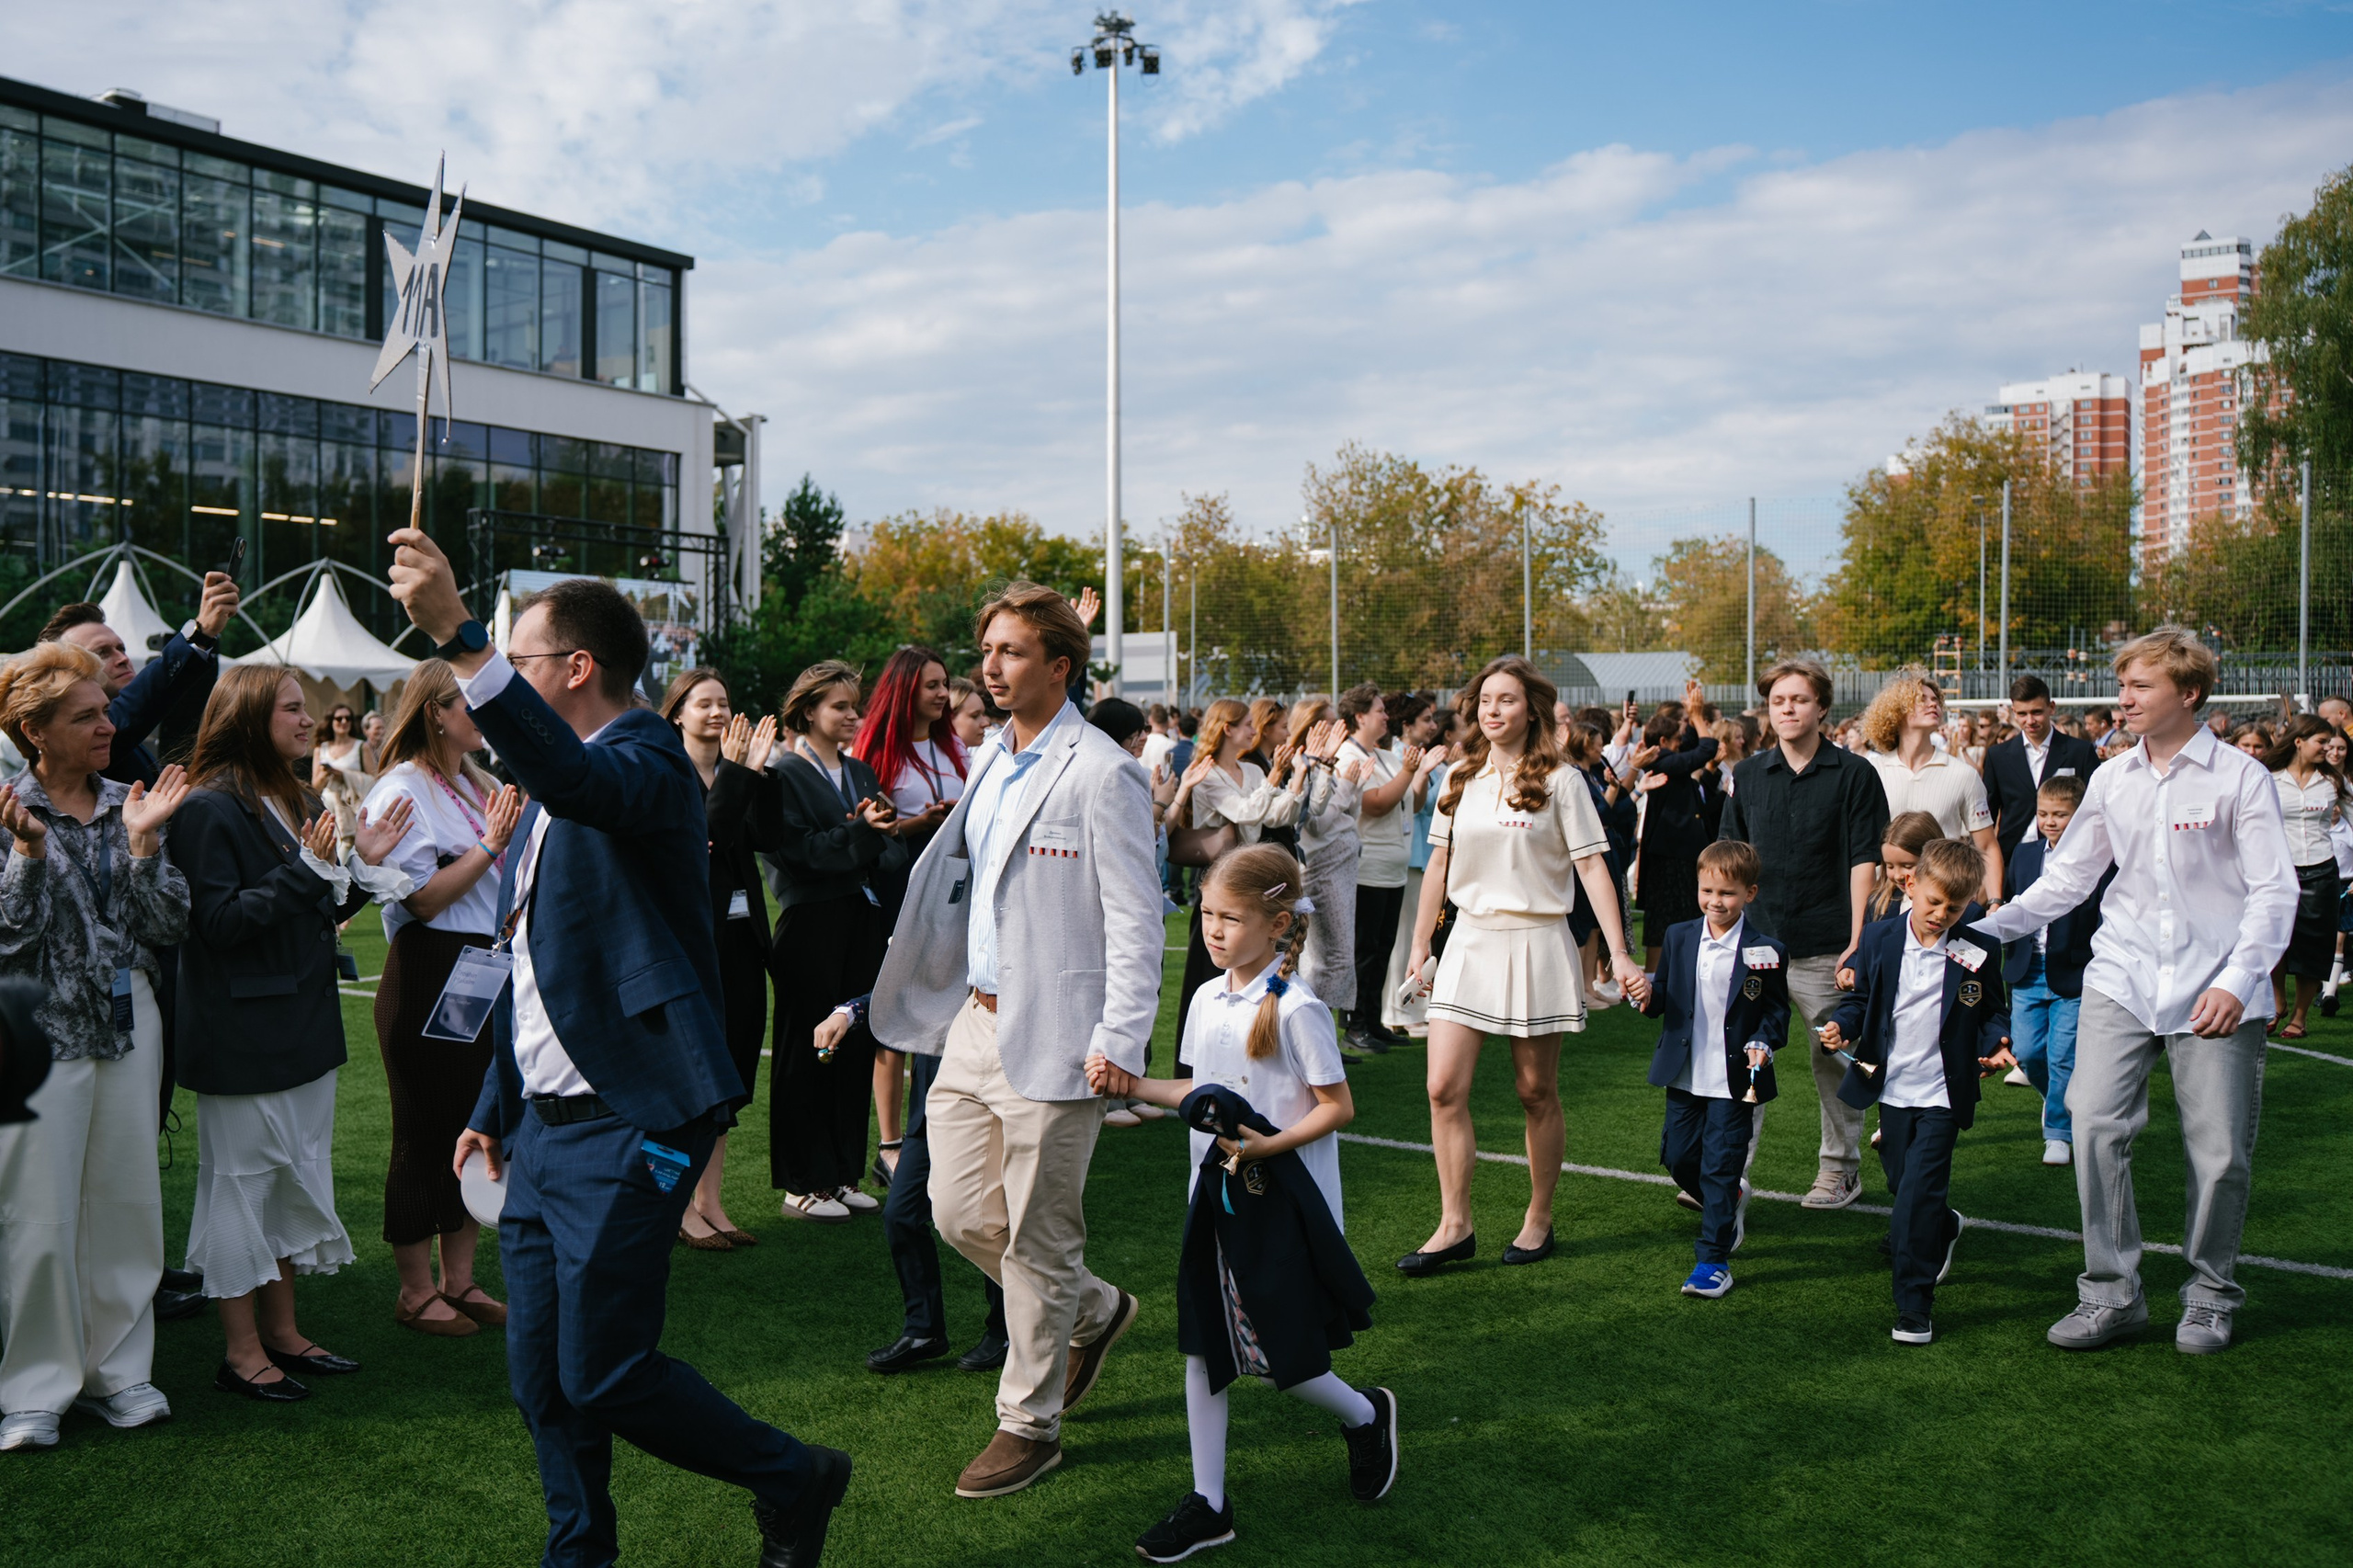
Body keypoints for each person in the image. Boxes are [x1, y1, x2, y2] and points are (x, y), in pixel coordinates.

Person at [387, 531, 852, 1567]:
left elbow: (574, 779)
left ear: (575, 667)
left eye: (518, 657)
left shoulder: (644, 762)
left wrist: (459, 633)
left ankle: (793, 1474)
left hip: (632, 1120)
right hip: (541, 1136)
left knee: (601, 1371)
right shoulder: (550, 793)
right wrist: (494, 1108)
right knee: (541, 1381)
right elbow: (532, 970)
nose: (497, 677)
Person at [868, 580, 1159, 1502]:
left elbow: (1137, 919)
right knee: (955, 1211)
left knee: (1039, 1233)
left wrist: (1121, 1040)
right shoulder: (991, 754)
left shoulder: (1103, 770)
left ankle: (1028, 1424)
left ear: (1059, 666)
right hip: (974, 1020)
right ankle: (1095, 1308)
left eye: (1012, 652)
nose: (989, 667)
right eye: (987, 649)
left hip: (1062, 1035)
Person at [1972, 627, 2297, 1357]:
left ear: (2190, 694)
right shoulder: (2112, 778)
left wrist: (2239, 979)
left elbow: (2275, 893)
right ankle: (2111, 1294)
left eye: (2142, 686)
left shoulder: (2241, 778)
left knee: (2218, 1154)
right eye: (2122, 685)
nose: (2124, 698)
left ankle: (2209, 1297)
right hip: (2120, 976)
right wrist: (1988, 929)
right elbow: (2068, 879)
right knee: (2091, 1122)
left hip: (2218, 989)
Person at [1088, 844, 1394, 1562]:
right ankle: (1210, 1503)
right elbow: (1199, 1092)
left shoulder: (1298, 1008)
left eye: (1231, 918)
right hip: (1214, 1199)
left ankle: (1364, 1414)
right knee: (1204, 1347)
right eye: (1208, 915)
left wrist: (1266, 1148)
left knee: (1288, 1357)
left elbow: (1338, 1106)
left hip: (1282, 1209)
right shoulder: (1205, 998)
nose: (1214, 930)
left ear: (1278, 924)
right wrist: (1132, 1087)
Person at [176, 665, 414, 1403]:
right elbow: (217, 924)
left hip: (304, 1024)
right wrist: (310, 872)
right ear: (248, 717)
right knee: (241, 1192)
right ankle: (241, 1352)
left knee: (291, 1184)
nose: (309, 719)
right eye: (290, 708)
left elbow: (314, 909)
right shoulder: (207, 808)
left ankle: (283, 1333)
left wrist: (360, 871)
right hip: (242, 1035)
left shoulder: (298, 795)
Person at [0, 644, 191, 1451]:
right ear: (35, 731)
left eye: (106, 710)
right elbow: (9, 942)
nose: (108, 725)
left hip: (130, 1020)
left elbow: (169, 924)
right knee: (38, 1213)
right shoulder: (6, 808)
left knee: (126, 1200)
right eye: (86, 716)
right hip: (37, 1029)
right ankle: (34, 1387)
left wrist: (145, 849)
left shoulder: (132, 802)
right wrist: (27, 853)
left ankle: (119, 1373)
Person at [1401, 656, 1645, 1275]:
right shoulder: (1459, 776)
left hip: (1537, 942)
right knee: (1442, 1087)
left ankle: (1539, 1218)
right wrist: (1420, 945)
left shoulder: (1563, 781)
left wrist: (1618, 952)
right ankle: (1454, 1225)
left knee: (1536, 1091)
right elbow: (1438, 866)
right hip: (1468, 942)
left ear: (1531, 710)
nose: (1493, 710)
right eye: (1485, 700)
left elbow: (1592, 867)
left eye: (1506, 699)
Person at [361, 661, 524, 1334]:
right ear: (434, 710)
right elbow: (422, 901)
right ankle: (414, 1291)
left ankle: (460, 1281)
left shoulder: (475, 780)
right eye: (469, 703)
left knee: (474, 1124)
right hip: (431, 971)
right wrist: (489, 846)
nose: (482, 714)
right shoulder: (402, 788)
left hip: (484, 968)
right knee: (423, 1132)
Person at [1820, 839, 2012, 1346]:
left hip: (1945, 1093)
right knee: (1903, 1186)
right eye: (1934, 902)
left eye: (1955, 907)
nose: (1941, 914)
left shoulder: (1978, 948)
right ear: (1911, 884)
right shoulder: (1879, 938)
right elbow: (1861, 1000)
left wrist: (1998, 1044)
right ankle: (1944, 1224)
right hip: (1891, 1088)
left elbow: (1993, 1013)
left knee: (1913, 1203)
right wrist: (1842, 1025)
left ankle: (1914, 1305)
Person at [1716, 660, 1889, 1212]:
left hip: (1828, 943)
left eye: (1799, 699)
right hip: (1757, 946)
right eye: (1778, 701)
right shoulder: (1747, 775)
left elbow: (1866, 859)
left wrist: (1858, 938)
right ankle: (1728, 1176)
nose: (1787, 708)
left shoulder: (1855, 774)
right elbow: (1729, 858)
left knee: (1832, 1057)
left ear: (1822, 708)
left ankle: (1840, 1170)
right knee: (1746, 1055)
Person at [765, 661, 908, 1222]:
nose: (854, 716)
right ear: (808, 711)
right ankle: (802, 1183)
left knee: (854, 1048)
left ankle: (842, 1175)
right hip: (809, 925)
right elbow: (797, 855)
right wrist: (859, 835)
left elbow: (892, 851)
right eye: (840, 706)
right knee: (806, 1053)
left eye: (855, 706)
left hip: (861, 919)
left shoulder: (862, 773)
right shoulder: (783, 775)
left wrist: (860, 839)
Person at [1639, 839, 1788, 1300]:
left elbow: (1776, 1012)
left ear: (1750, 893)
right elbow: (1662, 998)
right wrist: (1644, 995)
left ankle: (1713, 1262)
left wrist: (1763, 1040)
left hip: (1735, 1080)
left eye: (1727, 893)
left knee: (1721, 1167)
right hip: (1684, 1073)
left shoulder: (1767, 950)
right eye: (1707, 891)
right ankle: (1729, 1201)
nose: (1715, 901)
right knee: (1680, 1157)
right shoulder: (1680, 936)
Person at [660, 669, 777, 1247]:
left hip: (741, 940)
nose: (716, 712)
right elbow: (705, 841)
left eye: (723, 703)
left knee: (729, 1073)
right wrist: (736, 774)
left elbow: (766, 838)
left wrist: (756, 773)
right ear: (677, 713)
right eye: (703, 703)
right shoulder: (667, 772)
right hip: (690, 941)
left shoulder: (744, 770)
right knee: (692, 1077)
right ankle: (679, 1206)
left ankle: (710, 1201)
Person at [854, 647, 969, 1178]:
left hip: (953, 887)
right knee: (895, 1005)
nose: (944, 694)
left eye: (945, 684)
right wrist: (919, 823)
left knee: (944, 1003)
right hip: (899, 882)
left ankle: (933, 1133)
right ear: (905, 690)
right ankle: (890, 1144)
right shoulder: (878, 750)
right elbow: (866, 830)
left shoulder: (954, 746)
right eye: (932, 685)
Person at [1168, 699, 1319, 1012]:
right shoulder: (1207, 773)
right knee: (1211, 969)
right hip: (1218, 879)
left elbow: (1276, 816)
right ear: (1228, 729)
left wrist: (1298, 779)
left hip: (1249, 877)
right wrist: (1274, 777)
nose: (1254, 730)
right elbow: (1244, 812)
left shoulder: (1250, 770)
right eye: (1248, 724)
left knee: (1252, 960)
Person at [39, 571, 241, 789]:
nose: (123, 659)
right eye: (102, 653)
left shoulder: (132, 743)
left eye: (121, 648)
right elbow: (131, 708)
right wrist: (200, 634)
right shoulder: (73, 741)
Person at [2004, 775, 2113, 1169]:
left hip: (2074, 972)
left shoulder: (2100, 860)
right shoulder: (2024, 855)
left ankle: (2058, 1132)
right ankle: (2059, 1101)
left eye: (2061, 815)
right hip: (2027, 970)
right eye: (2044, 813)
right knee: (2028, 1053)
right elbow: (2014, 903)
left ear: (2079, 817)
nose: (2050, 821)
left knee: (2062, 1056)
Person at [1860, 669, 2001, 906]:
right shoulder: (1873, 771)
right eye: (1921, 699)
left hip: (1943, 902)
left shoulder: (1963, 774)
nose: (1933, 703)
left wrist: (1995, 902)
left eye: (1935, 699)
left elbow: (1987, 845)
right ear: (1897, 709)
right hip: (1884, 901)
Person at [1336, 685, 1423, 1056]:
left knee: (1383, 948)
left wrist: (1418, 774)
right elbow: (1374, 804)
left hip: (1393, 868)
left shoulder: (1384, 755)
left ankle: (1373, 1022)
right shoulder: (1348, 755)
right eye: (1379, 711)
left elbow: (1411, 803)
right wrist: (1408, 772)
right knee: (1364, 951)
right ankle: (1355, 1025)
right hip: (1366, 867)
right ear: (1359, 717)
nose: (1386, 716)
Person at [2264, 713, 2347, 1040]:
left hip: (2322, 871)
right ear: (2299, 741)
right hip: (2278, 871)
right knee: (2273, 940)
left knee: (2313, 945)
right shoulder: (2268, 778)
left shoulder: (2333, 782)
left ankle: (2299, 1017)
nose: (2328, 748)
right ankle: (2278, 1002)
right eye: (2321, 742)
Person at [1632, 682, 1720, 971]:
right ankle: (1653, 975)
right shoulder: (1663, 760)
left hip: (1677, 852)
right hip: (1669, 855)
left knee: (1679, 915)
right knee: (1664, 919)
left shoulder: (1668, 758)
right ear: (1663, 740)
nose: (1682, 738)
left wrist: (1694, 715)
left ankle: (1672, 973)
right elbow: (1706, 749)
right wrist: (1696, 716)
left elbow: (1695, 745)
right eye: (1677, 735)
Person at [1290, 697, 1365, 1029]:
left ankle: (1325, 1036)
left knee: (1338, 955)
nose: (1340, 729)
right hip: (1322, 867)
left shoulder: (1325, 764)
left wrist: (1353, 786)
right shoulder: (1304, 764)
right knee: (1330, 957)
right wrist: (1346, 786)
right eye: (1331, 723)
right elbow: (1317, 822)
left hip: (1341, 864)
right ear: (1312, 727)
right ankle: (1312, 1034)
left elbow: (1347, 815)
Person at [1383, 704, 1454, 1036]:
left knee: (1418, 936)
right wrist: (1442, 774)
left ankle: (1412, 1007)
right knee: (1406, 938)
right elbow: (1424, 806)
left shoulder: (1421, 754)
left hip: (1423, 856)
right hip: (1412, 854)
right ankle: (1399, 1010)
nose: (1432, 726)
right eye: (1425, 720)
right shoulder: (1400, 756)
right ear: (1406, 724)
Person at [1983, 676, 2100, 868]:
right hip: (2013, 858)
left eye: (2036, 712)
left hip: (2069, 856)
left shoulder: (2080, 751)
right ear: (2013, 712)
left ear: (2051, 708)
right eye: (2022, 714)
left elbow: (2095, 807)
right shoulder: (1998, 756)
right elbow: (1989, 812)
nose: (2030, 721)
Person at [313, 703, 377, 859]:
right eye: (339, 718)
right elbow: (315, 786)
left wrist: (344, 775)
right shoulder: (321, 749)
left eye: (348, 718)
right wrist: (327, 773)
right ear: (331, 721)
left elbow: (374, 781)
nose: (344, 722)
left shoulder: (361, 747)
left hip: (351, 807)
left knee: (348, 850)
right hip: (328, 807)